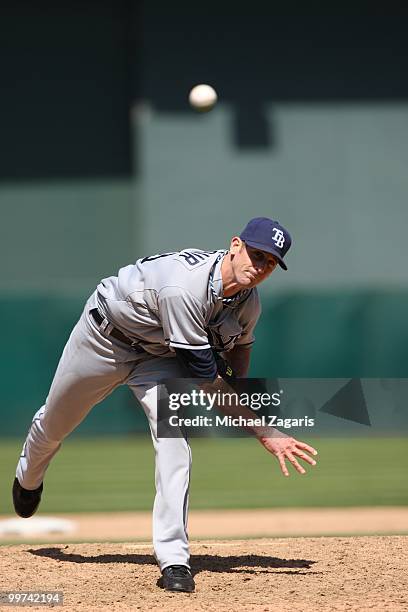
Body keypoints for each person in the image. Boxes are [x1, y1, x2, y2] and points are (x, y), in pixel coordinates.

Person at [12, 217, 317, 593]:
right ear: (235, 245)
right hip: (104, 338)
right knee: (56, 423)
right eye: (256, 254)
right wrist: (264, 432)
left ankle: (174, 559)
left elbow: (240, 349)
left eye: (270, 262)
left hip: (159, 356)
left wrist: (238, 389)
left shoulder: (247, 302)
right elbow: (206, 379)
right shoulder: (184, 289)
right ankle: (28, 477)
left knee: (173, 439)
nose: (260, 266)